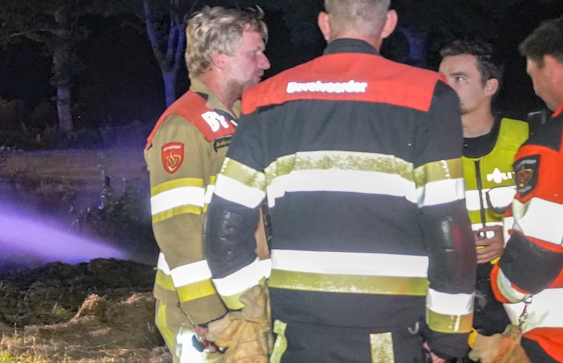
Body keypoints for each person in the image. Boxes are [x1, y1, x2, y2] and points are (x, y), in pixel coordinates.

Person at [204, 0, 477, 361]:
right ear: (389, 23)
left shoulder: (264, 99)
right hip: (389, 331)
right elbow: (448, 227)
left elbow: (223, 224)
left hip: (296, 330)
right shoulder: (428, 96)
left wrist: (253, 306)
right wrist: (447, 338)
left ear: (324, 24)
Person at [143, 6, 270, 362]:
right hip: (206, 312)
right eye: (255, 52)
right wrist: (210, 317)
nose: (265, 63)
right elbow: (178, 230)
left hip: (244, 301)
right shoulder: (184, 126)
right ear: (220, 58)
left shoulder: (243, 117)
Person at [486, 15, 563, 363]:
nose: (536, 89)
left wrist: (501, 286)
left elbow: (538, 249)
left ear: (552, 66)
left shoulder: (556, 143)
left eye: (533, 76)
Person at [436, 38, 528, 345]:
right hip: (448, 295)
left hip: (519, 292)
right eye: (442, 79)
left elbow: (560, 216)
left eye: (459, 79)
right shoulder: (426, 145)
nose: (446, 87)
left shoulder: (528, 138)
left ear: (490, 87)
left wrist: (511, 238)